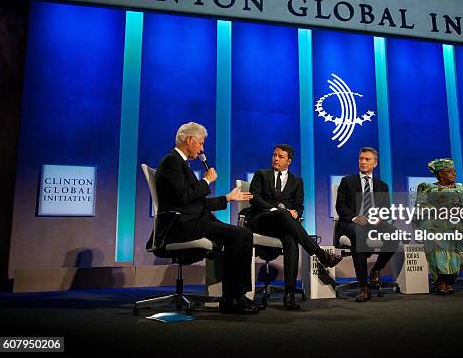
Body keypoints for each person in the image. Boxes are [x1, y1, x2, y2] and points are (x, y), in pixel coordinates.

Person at [155, 122, 258, 314]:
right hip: (180, 225)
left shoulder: (180, 163)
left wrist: (227, 198)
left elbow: (195, 202)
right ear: (189, 140)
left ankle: (238, 295)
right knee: (238, 235)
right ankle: (231, 299)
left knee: (244, 233)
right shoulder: (171, 161)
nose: (202, 149)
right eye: (200, 143)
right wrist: (206, 180)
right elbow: (184, 197)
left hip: (194, 220)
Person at [241, 144, 342, 310]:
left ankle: (289, 294)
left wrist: (295, 212)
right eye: (274, 155)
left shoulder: (297, 181)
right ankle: (320, 254)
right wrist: (278, 210)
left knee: (290, 240)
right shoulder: (261, 174)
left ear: (289, 161)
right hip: (261, 221)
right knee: (283, 213)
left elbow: (299, 206)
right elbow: (255, 198)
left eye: (280, 156)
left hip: (283, 227)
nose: (276, 158)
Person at [335, 147, 398, 302]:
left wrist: (378, 218)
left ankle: (376, 270)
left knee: (394, 234)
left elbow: (386, 210)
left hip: (373, 223)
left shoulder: (382, 186)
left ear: (375, 163)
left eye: (367, 159)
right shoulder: (347, 181)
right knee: (359, 233)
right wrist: (355, 218)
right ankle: (363, 286)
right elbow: (340, 207)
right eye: (361, 158)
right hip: (350, 223)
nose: (363, 162)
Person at [413, 158, 463, 295]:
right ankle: (440, 281)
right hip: (434, 223)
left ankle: (449, 280)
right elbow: (420, 207)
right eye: (448, 171)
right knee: (436, 236)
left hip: (456, 223)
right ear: (440, 174)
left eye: (454, 171)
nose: (453, 174)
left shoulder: (462, 188)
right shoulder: (428, 188)